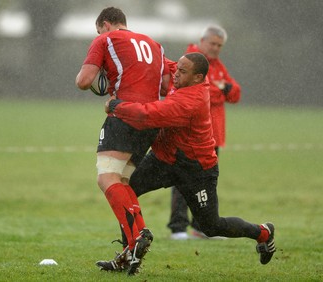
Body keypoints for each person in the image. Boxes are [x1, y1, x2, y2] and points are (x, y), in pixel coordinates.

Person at [100, 52, 276, 273]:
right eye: (179, 68)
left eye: (182, 72)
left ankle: (263, 233)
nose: (176, 74)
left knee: (211, 226)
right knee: (125, 190)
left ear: (197, 78)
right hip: (163, 159)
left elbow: (149, 115)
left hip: (196, 170)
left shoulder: (191, 101)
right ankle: (129, 254)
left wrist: (117, 105)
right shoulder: (184, 74)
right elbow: (163, 63)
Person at [75, 7, 169, 275]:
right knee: (123, 180)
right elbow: (164, 87)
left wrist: (95, 76)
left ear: (105, 25)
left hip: (125, 115)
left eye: (98, 31)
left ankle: (137, 237)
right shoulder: (155, 44)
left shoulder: (104, 39)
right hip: (152, 120)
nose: (99, 35)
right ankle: (132, 250)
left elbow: (84, 81)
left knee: (106, 179)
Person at [168, 25, 242, 240]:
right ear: (202, 40)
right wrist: (220, 89)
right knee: (182, 178)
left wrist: (222, 88)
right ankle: (178, 227)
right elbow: (200, 93)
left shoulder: (217, 65)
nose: (216, 48)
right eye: (213, 43)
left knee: (206, 183)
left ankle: (201, 227)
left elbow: (235, 94)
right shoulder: (189, 61)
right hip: (190, 134)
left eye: (220, 45)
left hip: (213, 135)